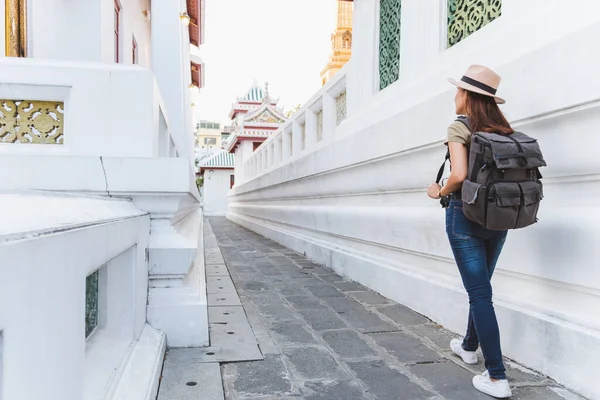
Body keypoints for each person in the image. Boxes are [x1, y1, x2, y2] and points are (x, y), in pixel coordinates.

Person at [427, 65, 513, 398]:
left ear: (467, 96)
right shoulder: (504, 130)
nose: (454, 95)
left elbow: (459, 174)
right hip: (500, 218)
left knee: (479, 294)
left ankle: (497, 376)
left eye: (458, 90)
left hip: (465, 217)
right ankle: (468, 345)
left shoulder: (459, 126)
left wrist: (439, 191)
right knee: (482, 288)